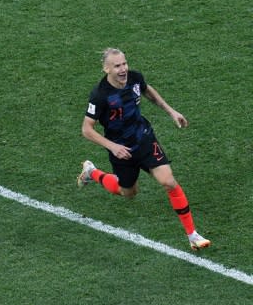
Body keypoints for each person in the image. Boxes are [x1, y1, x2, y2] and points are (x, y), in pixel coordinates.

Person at [78, 48, 211, 250]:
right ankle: (92, 172)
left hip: (144, 139)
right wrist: (113, 147)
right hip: (121, 150)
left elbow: (147, 90)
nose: (123, 69)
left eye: (124, 63)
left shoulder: (134, 78)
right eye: (117, 66)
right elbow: (87, 129)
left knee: (169, 182)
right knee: (128, 193)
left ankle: (192, 235)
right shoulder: (100, 95)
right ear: (106, 69)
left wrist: (171, 111)